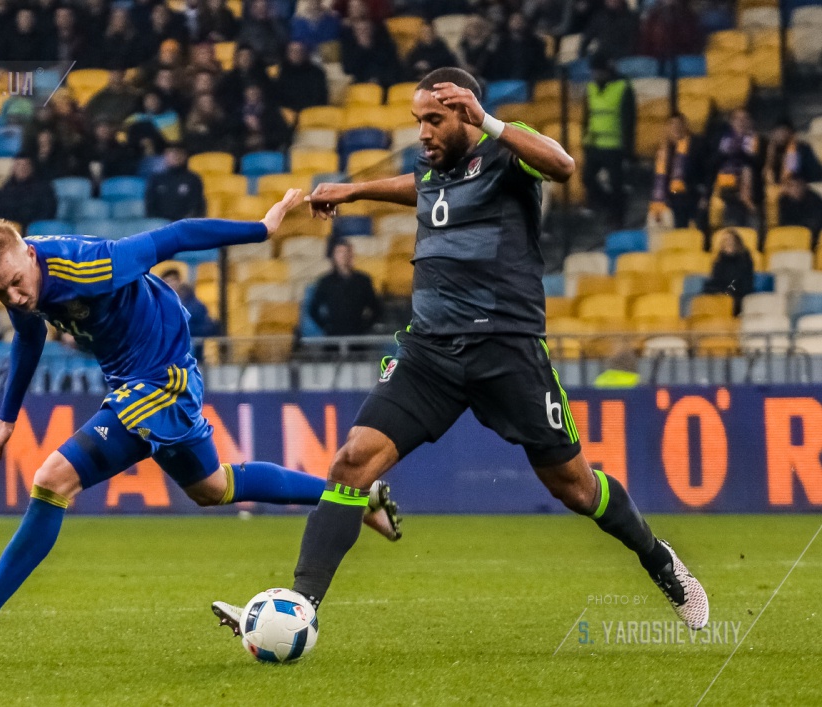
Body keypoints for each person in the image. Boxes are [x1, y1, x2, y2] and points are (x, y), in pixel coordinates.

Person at [210, 68, 708, 639]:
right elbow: (420, 186)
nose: (422, 132)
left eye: (434, 119)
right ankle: (302, 604)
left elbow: (563, 166)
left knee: (575, 488)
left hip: (507, 351)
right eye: (418, 120)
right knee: (352, 461)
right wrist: (354, 190)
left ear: (466, 115)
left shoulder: (506, 152)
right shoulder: (433, 170)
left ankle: (658, 558)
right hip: (430, 354)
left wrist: (491, 121)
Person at [0, 190, 402, 651]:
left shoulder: (91, 264)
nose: (15, 297)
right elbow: (28, 336)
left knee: (52, 479)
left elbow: (177, 235)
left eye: (17, 283)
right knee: (212, 487)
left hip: (160, 379)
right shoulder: (21, 280)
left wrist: (262, 229)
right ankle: (355, 497)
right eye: (0, 292)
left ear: (30, 255)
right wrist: (6, 418)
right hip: (135, 379)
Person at [582, 55, 636, 229]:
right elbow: (587, 115)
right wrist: (585, 139)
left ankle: (617, 217)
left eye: (598, 71)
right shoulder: (590, 88)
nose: (595, 75)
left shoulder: (622, 87)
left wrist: (628, 149)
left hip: (615, 146)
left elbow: (629, 120)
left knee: (616, 184)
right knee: (587, 178)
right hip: (594, 144)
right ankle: (608, 204)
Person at [308, 238, 380, 336]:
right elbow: (313, 310)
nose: (343, 256)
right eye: (339, 252)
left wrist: (364, 327)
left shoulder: (363, 281)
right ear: (334, 256)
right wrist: (326, 327)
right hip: (334, 337)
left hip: (357, 336)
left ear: (351, 255)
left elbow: (376, 308)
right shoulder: (325, 282)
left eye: (346, 252)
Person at [649, 113, 706, 229]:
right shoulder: (663, 151)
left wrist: (704, 195)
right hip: (670, 200)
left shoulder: (696, 145)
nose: (676, 128)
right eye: (672, 125)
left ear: (685, 126)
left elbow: (704, 172)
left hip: (691, 196)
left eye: (679, 124)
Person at [710, 109, 762, 229]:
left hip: (750, 192)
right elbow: (714, 163)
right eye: (738, 119)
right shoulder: (723, 140)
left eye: (745, 119)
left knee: (750, 230)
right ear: (731, 122)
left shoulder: (757, 140)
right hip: (727, 191)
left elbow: (755, 163)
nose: (741, 122)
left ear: (750, 121)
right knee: (732, 228)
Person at [0, 155, 58, 228]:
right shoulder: (6, 188)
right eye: (18, 165)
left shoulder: (43, 187)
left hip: (34, 227)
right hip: (10, 227)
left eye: (25, 165)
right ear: (13, 168)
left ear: (32, 167)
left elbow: (47, 210)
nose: (22, 168)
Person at [145, 144, 207, 221]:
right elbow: (150, 206)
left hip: (184, 223)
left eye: (179, 153)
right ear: (165, 155)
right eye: (171, 153)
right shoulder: (156, 179)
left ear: (185, 155)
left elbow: (197, 206)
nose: (175, 156)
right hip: (159, 224)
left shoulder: (193, 179)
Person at [703, 228, 754, 315]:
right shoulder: (719, 261)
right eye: (725, 241)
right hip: (723, 293)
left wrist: (727, 291)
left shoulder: (744, 260)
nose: (728, 243)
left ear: (737, 242)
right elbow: (716, 280)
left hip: (739, 293)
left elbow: (743, 281)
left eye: (731, 240)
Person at [160, 267, 218, 338]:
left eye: (172, 280)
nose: (170, 284)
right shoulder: (159, 304)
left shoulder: (195, 305)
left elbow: (206, 328)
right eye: (166, 282)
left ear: (179, 281)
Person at [763, 119, 822, 189]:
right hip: (775, 188)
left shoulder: (800, 149)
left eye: (784, 132)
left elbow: (795, 174)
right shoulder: (767, 149)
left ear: (791, 134)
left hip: (803, 186)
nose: (781, 136)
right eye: (778, 132)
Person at [274, 41, 329, 112]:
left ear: (305, 53)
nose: (296, 54)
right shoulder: (282, 72)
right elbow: (279, 97)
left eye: (299, 51)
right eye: (292, 51)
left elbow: (321, 97)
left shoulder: (317, 72)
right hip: (289, 112)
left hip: (313, 110)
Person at [779, 177, 822, 250]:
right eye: (789, 186)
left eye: (795, 186)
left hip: (813, 239)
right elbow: (783, 223)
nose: (793, 189)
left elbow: (816, 223)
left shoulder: (815, 200)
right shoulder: (784, 201)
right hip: (792, 237)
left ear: (802, 185)